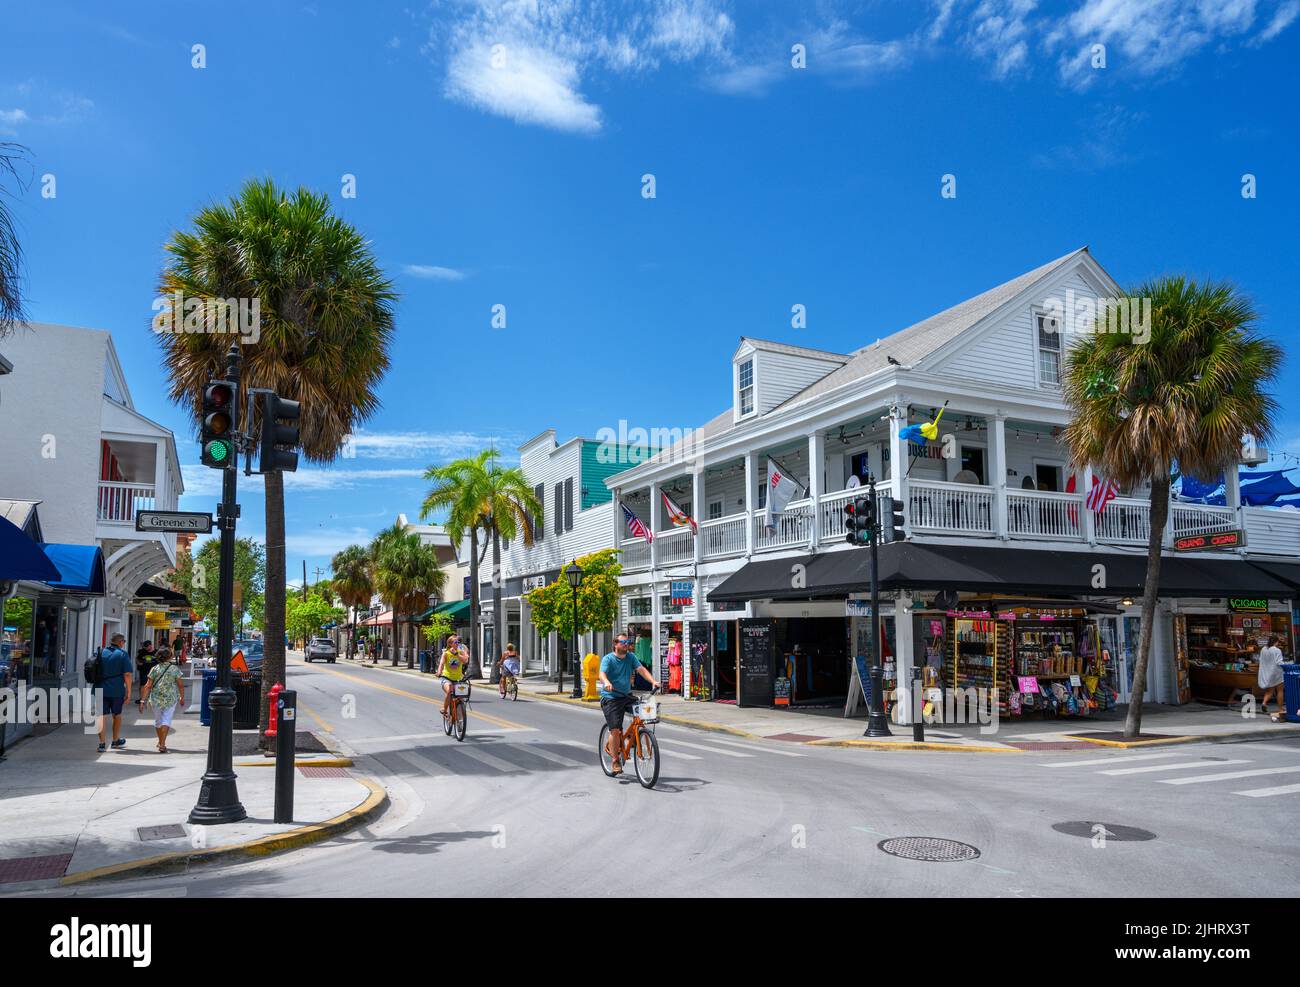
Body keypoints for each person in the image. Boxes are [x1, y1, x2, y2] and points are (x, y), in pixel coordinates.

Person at [598, 634, 659, 776]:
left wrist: (653, 681)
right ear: (615, 644)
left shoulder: (630, 657)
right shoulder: (608, 659)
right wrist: (606, 683)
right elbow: (602, 674)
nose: (626, 644)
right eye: (623, 642)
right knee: (615, 730)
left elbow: (641, 669)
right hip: (611, 698)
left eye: (628, 642)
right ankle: (615, 760)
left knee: (640, 714)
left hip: (625, 696)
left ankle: (632, 735)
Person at [138, 646, 186, 753]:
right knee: (166, 720)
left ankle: (161, 742)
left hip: (156, 699)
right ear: (170, 656)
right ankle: (162, 743)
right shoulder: (174, 669)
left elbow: (148, 686)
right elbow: (180, 685)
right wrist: (182, 697)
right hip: (171, 698)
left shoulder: (154, 669)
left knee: (158, 721)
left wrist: (142, 701)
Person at [97, 633, 133, 752]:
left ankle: (102, 744)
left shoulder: (101, 652)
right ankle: (115, 740)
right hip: (116, 689)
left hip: (100, 687)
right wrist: (129, 692)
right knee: (117, 715)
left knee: (101, 716)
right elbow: (127, 674)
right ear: (121, 642)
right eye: (124, 641)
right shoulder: (122, 654)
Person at [436, 637, 467, 718]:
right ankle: (445, 709)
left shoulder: (460, 652)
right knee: (449, 691)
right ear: (450, 644)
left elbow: (465, 661)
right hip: (447, 678)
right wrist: (439, 672)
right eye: (455, 642)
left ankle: (460, 717)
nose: (457, 644)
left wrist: (457, 654)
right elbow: (441, 664)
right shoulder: (446, 653)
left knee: (461, 697)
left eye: (457, 642)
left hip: (458, 679)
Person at [1258, 635, 1286, 718]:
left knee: (1270, 690)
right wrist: (1286, 665)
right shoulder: (1277, 650)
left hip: (1268, 672)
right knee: (1280, 690)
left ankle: (1264, 703)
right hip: (1277, 672)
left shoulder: (1263, 649)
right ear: (1276, 642)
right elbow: (1279, 662)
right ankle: (1281, 709)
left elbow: (1261, 660)